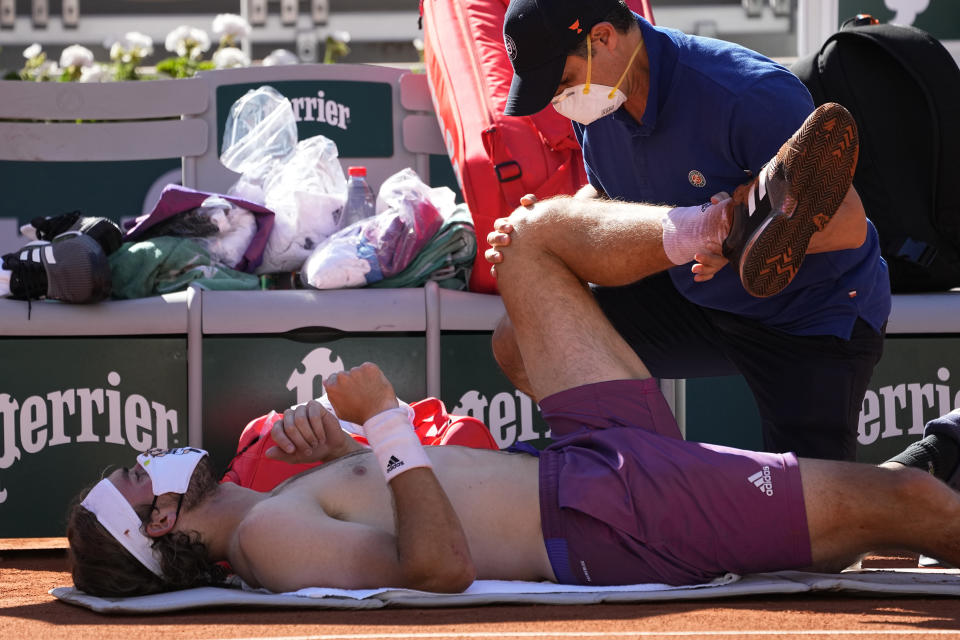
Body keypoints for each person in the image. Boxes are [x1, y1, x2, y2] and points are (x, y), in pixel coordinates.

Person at [67, 128, 959, 598]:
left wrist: (342, 450)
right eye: (141, 478)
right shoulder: (266, 540)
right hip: (611, 514)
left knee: (527, 244)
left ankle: (725, 228)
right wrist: (380, 422)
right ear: (159, 527)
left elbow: (405, 503)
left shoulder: (272, 513)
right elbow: (437, 569)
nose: (155, 462)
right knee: (907, 505)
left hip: (577, 463)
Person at [490, 0, 891, 461]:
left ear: (602, 38)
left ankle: (927, 475)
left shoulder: (745, 92)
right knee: (520, 338)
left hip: (811, 314)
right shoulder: (598, 107)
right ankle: (635, 477)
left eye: (561, 83)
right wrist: (547, 230)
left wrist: (740, 237)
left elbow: (847, 224)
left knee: (818, 515)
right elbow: (606, 200)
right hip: (697, 297)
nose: (561, 102)